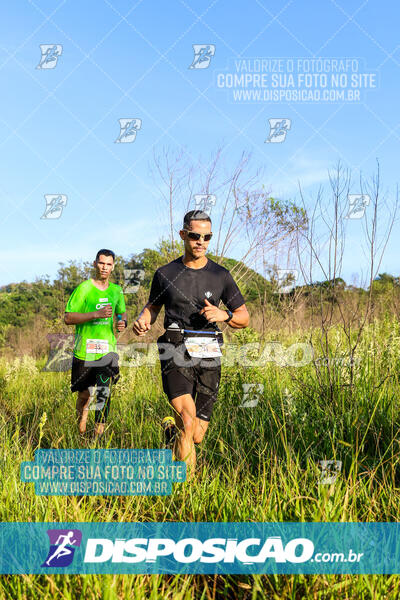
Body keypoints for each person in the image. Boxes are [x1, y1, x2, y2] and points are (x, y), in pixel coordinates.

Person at [133, 210, 249, 474]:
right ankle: (187, 491)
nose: (201, 242)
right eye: (195, 236)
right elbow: (152, 308)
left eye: (207, 237)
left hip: (208, 352)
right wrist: (143, 320)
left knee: (196, 434)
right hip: (174, 347)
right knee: (187, 420)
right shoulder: (165, 273)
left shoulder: (221, 275)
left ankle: (169, 432)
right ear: (183, 235)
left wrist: (225, 315)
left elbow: (244, 317)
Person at [64, 249, 127, 436]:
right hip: (84, 351)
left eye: (108, 264)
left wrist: (122, 322)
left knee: (103, 392)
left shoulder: (116, 290)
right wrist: (95, 314)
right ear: (94, 264)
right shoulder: (84, 288)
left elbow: (121, 312)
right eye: (101, 263)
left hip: (107, 351)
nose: (104, 267)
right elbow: (68, 318)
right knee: (84, 395)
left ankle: (98, 437)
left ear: (113, 266)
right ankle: (80, 428)